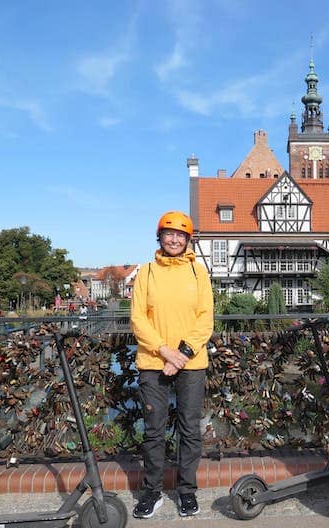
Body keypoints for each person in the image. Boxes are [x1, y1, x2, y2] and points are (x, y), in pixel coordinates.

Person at [130, 210, 214, 519]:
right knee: (154, 429)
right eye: (169, 234)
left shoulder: (198, 273)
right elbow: (138, 319)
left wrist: (182, 354)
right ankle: (152, 491)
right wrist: (165, 352)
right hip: (154, 362)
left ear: (188, 240)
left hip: (190, 363)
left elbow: (205, 319)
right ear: (160, 237)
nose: (175, 239)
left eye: (181, 234)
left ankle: (186, 491)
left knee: (190, 430)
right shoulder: (147, 272)